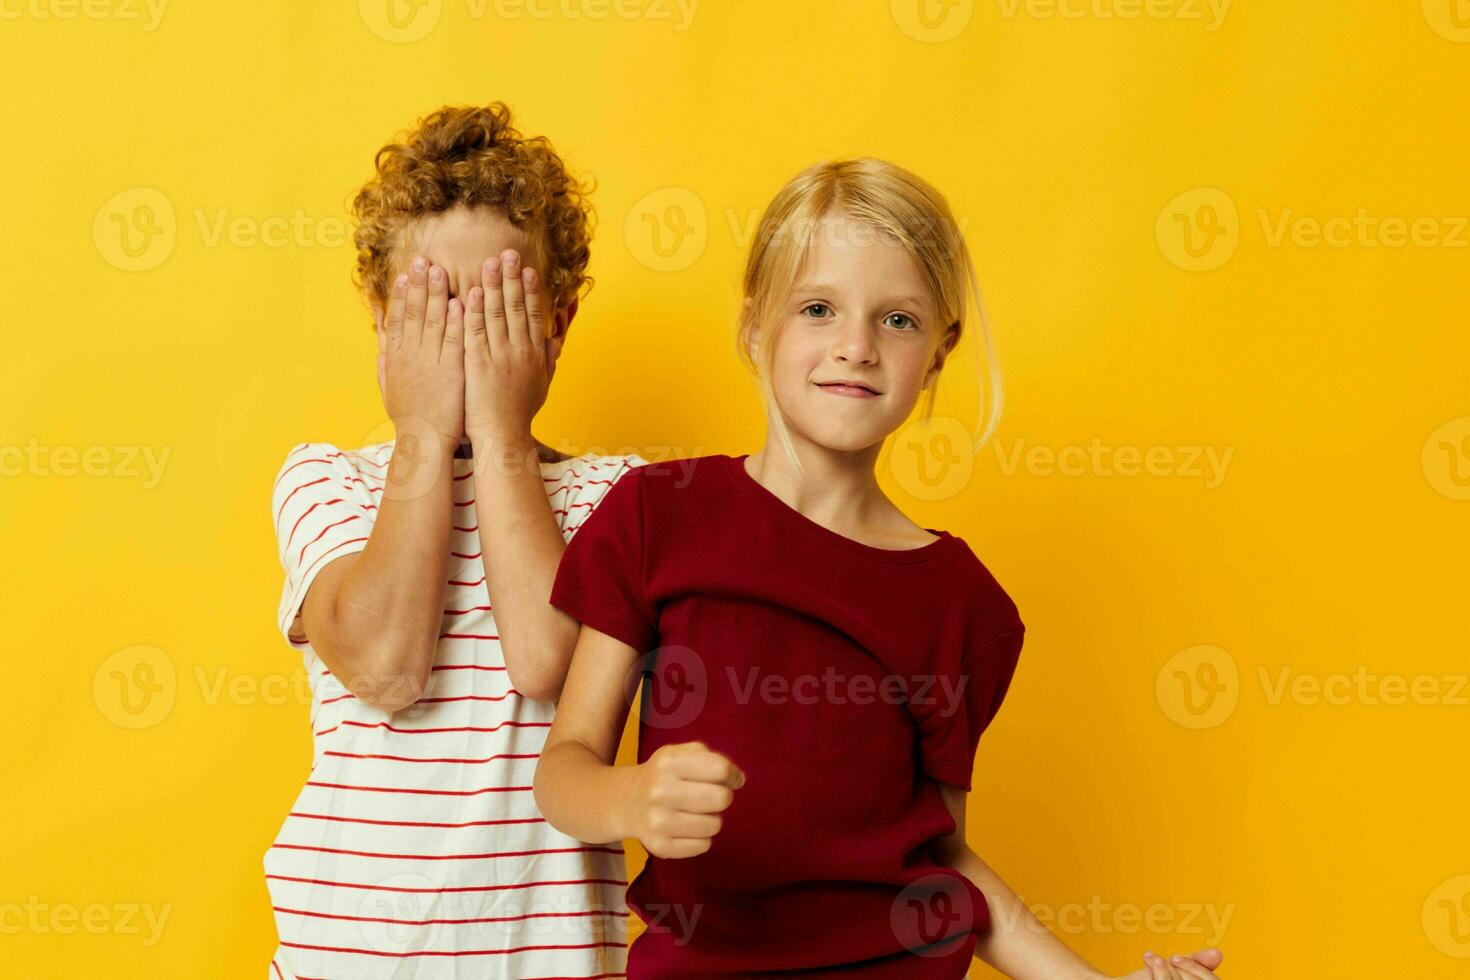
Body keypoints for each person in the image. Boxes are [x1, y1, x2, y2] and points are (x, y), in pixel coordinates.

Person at [534, 158, 1226, 979]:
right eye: (819, 309)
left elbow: (944, 858)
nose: (856, 347)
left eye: (897, 320)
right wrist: (631, 798)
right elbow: (565, 766)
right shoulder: (658, 514)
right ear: (757, 328)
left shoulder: (962, 601)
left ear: (940, 352)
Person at [265, 103, 639, 979]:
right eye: (435, 307)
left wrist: (504, 436)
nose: (467, 340)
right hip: (344, 960)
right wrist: (425, 435)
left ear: (558, 319)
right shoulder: (329, 482)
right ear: (381, 320)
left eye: (499, 307)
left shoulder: (616, 496)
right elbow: (387, 664)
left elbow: (549, 659)